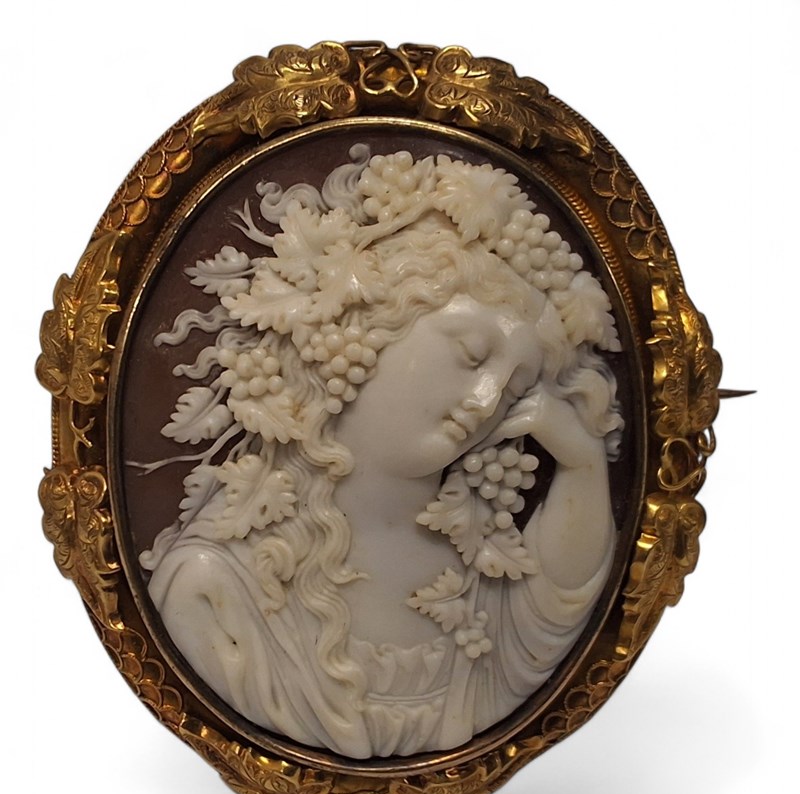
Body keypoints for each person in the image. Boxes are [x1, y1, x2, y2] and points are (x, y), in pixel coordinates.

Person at [139, 146, 624, 758]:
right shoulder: (215, 587)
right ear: (367, 328)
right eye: (472, 355)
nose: (485, 403)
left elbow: (556, 614)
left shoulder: (485, 572)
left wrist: (582, 465)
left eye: (514, 389)